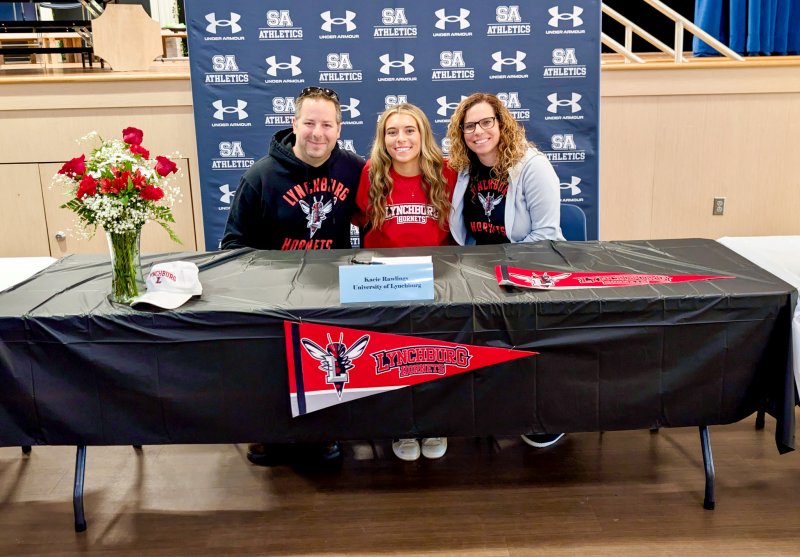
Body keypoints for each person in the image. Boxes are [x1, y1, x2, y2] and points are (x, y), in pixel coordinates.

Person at [222, 86, 365, 466]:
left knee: (329, 356)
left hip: (328, 290)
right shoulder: (262, 176)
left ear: (339, 128)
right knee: (269, 361)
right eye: (309, 123)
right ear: (293, 124)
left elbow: (379, 217)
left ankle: (322, 431)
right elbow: (233, 243)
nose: (318, 133)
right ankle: (271, 432)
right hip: (274, 292)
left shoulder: (353, 169)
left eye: (327, 125)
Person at [446, 92, 565, 449]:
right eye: (470, 126)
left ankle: (545, 413)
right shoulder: (464, 168)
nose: (478, 131)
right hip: (479, 268)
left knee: (526, 335)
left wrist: (502, 272)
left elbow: (545, 234)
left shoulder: (532, 165)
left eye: (486, 122)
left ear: (501, 124)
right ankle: (487, 407)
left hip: (530, 267)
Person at [353, 103, 456, 461]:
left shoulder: (447, 172)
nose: (401, 138)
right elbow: (361, 220)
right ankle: (401, 425)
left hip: (437, 279)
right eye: (392, 132)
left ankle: (435, 422)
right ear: (382, 139)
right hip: (386, 280)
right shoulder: (371, 173)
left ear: (424, 134)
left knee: (434, 355)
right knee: (392, 356)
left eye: (409, 130)